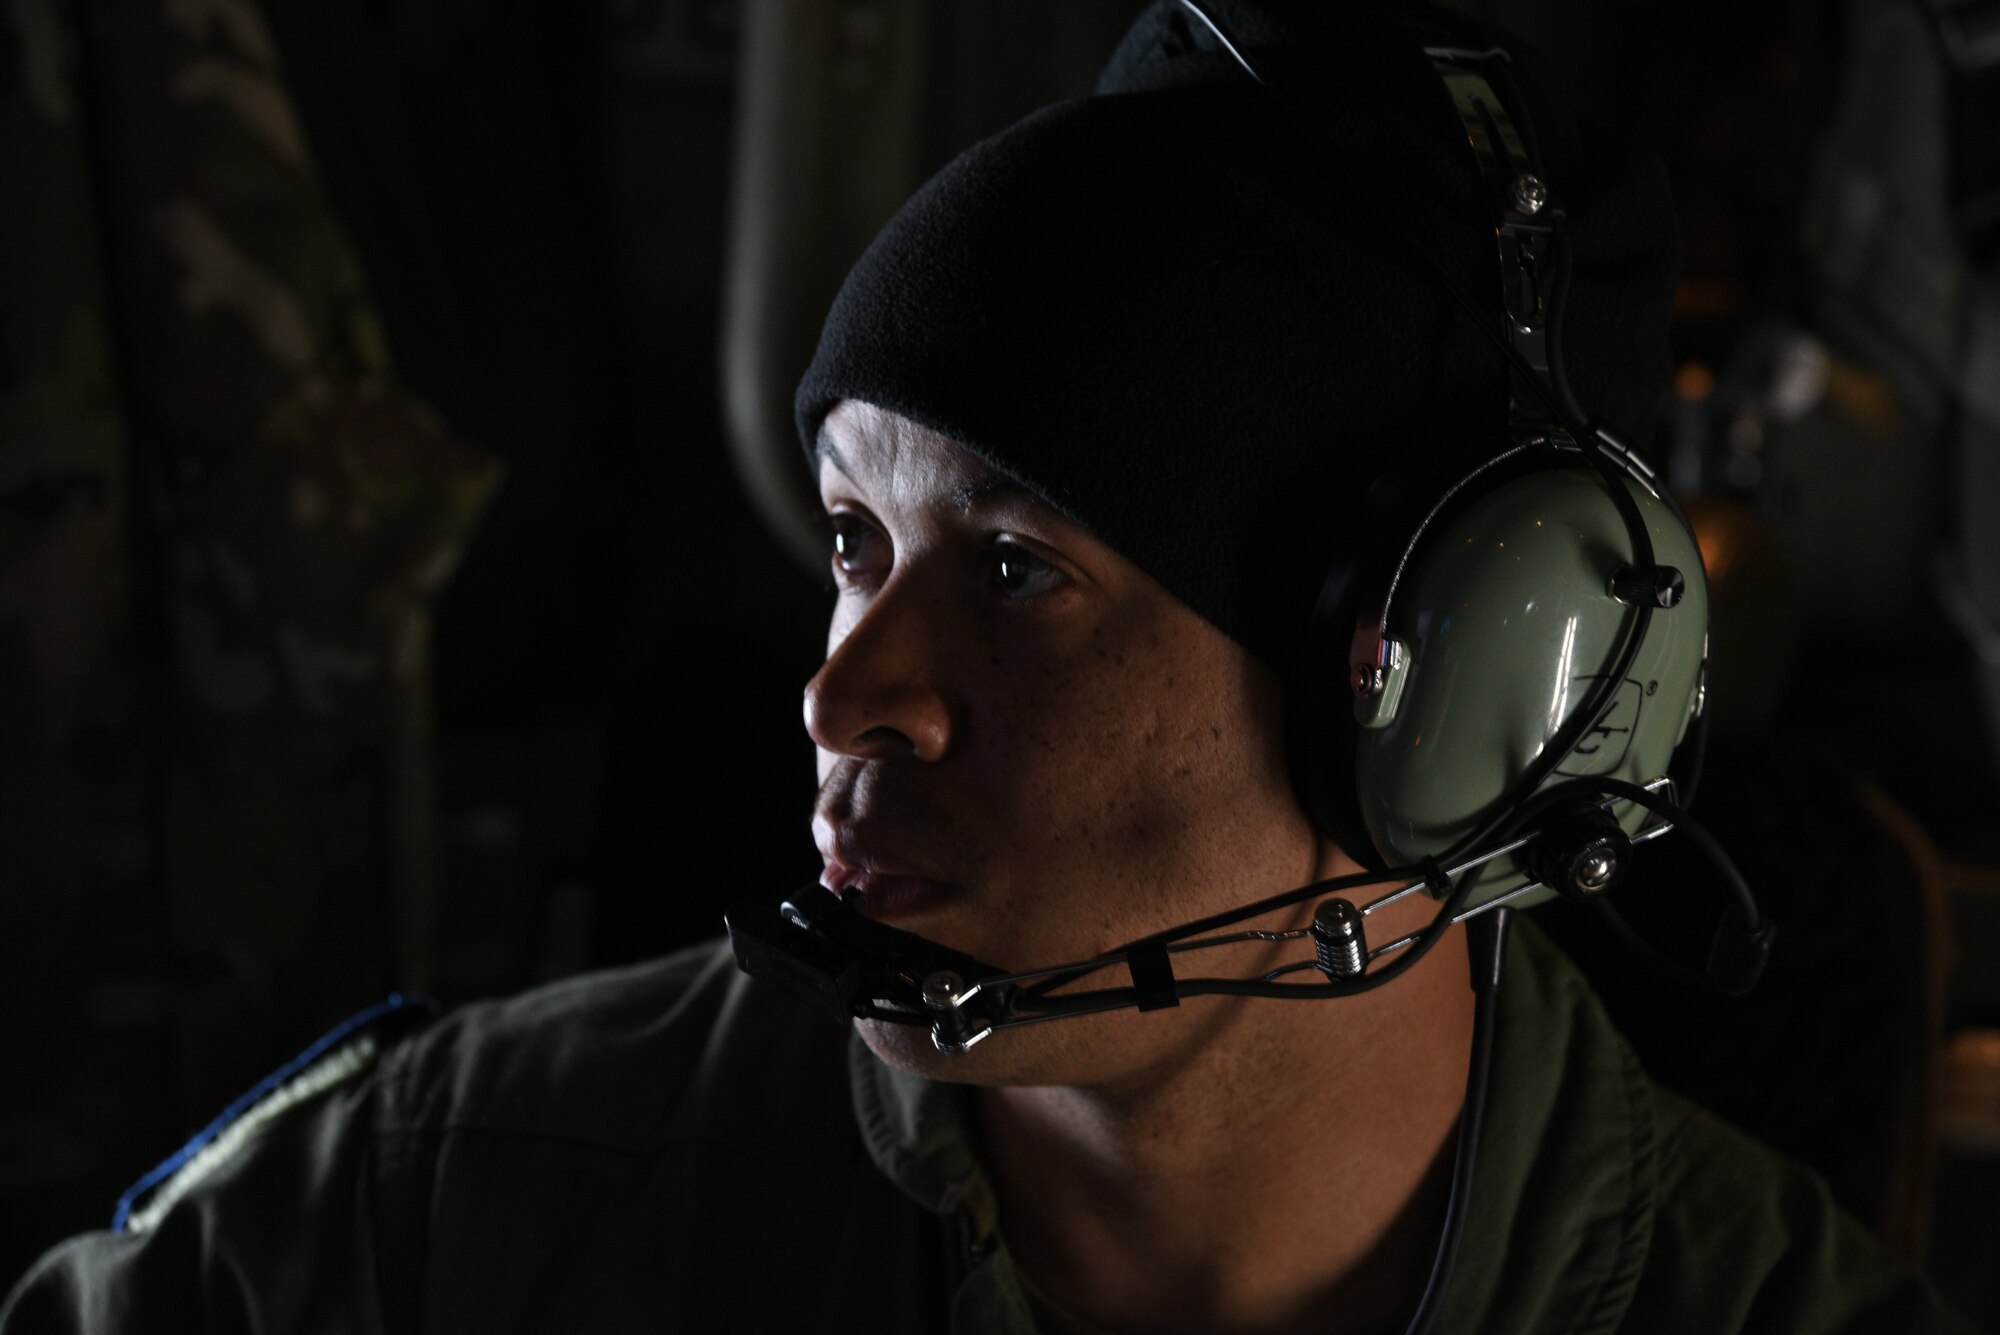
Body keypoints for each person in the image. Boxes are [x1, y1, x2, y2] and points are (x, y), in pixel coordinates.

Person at [2, 2, 1979, 1331]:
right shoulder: (440, 1213)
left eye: (1017, 567)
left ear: (1463, 705)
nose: (847, 693)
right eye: (859, 544)